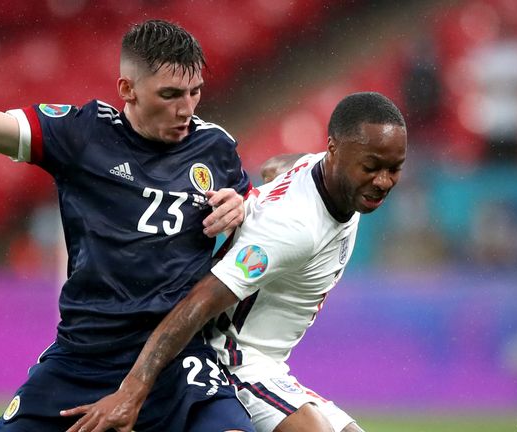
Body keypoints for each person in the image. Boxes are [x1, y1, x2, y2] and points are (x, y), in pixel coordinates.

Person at [0, 1, 255, 431]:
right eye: (170, 95)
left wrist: (244, 207)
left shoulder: (215, 148)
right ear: (128, 89)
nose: (187, 108)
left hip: (176, 359)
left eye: (194, 91)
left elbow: (259, 232)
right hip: (85, 357)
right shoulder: (82, 134)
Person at [62, 92, 407, 432]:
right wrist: (132, 391)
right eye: (371, 167)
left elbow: (277, 166)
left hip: (270, 366)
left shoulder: (323, 172)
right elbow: (199, 302)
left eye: (394, 169)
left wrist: (253, 199)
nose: (382, 181)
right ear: (334, 150)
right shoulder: (295, 228)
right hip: (233, 360)